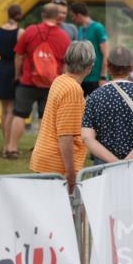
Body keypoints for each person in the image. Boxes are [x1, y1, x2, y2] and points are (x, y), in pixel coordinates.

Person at [5, 2, 71, 159]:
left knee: (19, 114)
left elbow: (19, 55)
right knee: (45, 118)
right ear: (57, 17)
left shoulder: (30, 31)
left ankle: (11, 148)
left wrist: (17, 75)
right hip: (51, 84)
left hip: (28, 80)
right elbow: (66, 64)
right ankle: (41, 150)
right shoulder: (64, 37)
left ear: (43, 15)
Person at [30, 41, 94, 191]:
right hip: (56, 165)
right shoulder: (73, 90)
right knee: (70, 211)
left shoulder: (60, 80)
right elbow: (65, 135)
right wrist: (70, 173)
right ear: (90, 66)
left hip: (46, 158)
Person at [81, 46, 133, 163]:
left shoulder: (94, 97)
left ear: (107, 65)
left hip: (104, 166)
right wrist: (127, 162)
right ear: (132, 67)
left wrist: (114, 162)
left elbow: (87, 137)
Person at [0, 4, 23, 157]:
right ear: (18, 15)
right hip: (13, 69)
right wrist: (18, 74)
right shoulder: (19, 32)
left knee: (4, 110)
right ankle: (8, 146)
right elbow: (20, 55)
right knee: (11, 109)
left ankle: (5, 144)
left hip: (1, 68)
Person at [70, 1, 110, 96]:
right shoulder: (80, 29)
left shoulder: (98, 28)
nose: (72, 19)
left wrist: (103, 76)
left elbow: (106, 54)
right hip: (82, 78)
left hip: (96, 78)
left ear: (79, 15)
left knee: (97, 109)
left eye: (73, 16)